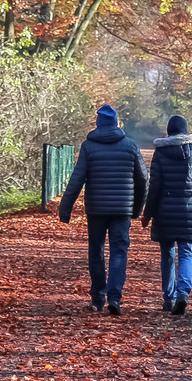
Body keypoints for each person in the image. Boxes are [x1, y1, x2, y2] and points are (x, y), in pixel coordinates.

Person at [57, 104, 148, 315]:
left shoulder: (89, 147)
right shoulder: (131, 146)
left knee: (96, 251)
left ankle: (98, 297)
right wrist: (137, 208)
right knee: (119, 251)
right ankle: (114, 297)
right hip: (122, 210)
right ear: (116, 123)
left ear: (98, 123)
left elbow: (77, 178)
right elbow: (143, 179)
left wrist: (65, 208)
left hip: (96, 209)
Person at [141, 114, 192, 315]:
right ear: (186, 131)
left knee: (167, 254)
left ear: (169, 131)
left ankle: (168, 298)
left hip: (164, 212)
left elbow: (154, 188)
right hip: (188, 212)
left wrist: (147, 214)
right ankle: (183, 294)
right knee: (186, 252)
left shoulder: (160, 154)